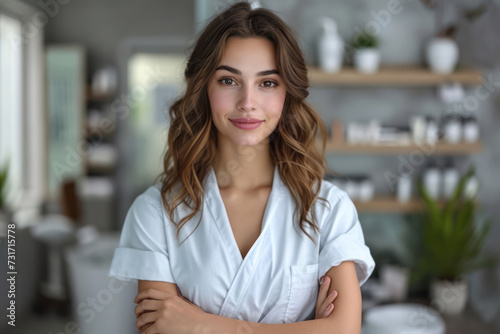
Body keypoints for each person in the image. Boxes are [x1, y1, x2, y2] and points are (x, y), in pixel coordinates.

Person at [108, 1, 375, 333]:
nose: (248, 102)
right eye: (228, 81)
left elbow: (344, 330)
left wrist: (201, 324)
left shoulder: (329, 209)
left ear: (287, 94)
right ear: (204, 88)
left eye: (267, 83)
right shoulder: (155, 212)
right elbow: (162, 329)